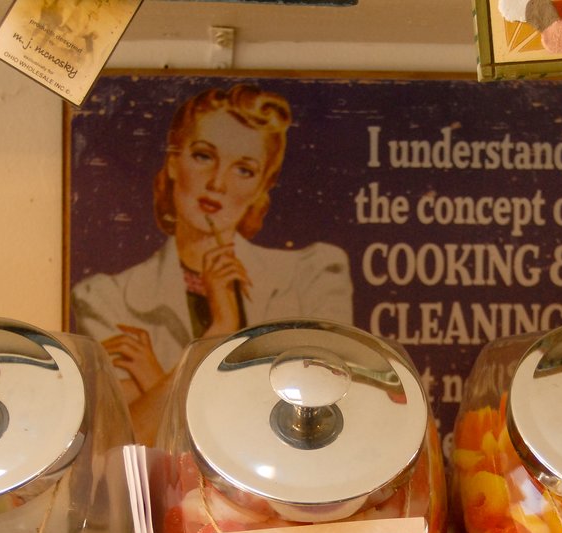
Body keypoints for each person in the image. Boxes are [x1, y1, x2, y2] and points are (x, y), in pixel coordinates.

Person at [71, 83, 354, 444]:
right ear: (173, 162)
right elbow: (128, 445)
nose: (218, 183)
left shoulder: (312, 275)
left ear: (262, 186)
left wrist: (158, 380)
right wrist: (219, 330)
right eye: (203, 156)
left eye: (244, 170)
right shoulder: (104, 298)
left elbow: (321, 432)